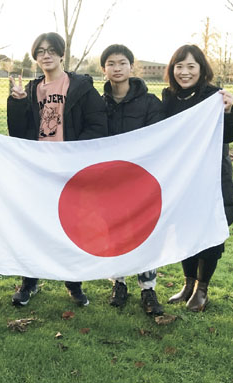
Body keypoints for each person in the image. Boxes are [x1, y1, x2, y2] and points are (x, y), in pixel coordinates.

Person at [7, 32, 107, 307]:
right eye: (40, 51)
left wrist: (73, 154)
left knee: (71, 225)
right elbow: (19, 133)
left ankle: (73, 282)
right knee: (35, 225)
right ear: (35, 57)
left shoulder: (81, 87)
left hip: (71, 170)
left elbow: (97, 125)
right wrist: (16, 102)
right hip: (39, 170)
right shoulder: (31, 90)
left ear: (62, 54)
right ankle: (30, 281)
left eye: (51, 50)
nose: (46, 55)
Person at [162, 44, 233, 312]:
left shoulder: (215, 97)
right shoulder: (169, 98)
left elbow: (229, 136)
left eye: (190, 66)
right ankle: (188, 284)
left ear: (201, 69)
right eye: (179, 66)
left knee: (210, 232)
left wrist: (228, 111)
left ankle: (201, 289)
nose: (184, 72)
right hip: (181, 180)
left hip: (211, 179)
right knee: (184, 231)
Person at [99, 44, 165, 316]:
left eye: (122, 62)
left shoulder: (150, 103)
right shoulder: (98, 102)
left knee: (144, 233)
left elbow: (159, 137)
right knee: (114, 232)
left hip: (140, 182)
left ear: (131, 67)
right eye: (111, 63)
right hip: (109, 182)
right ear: (104, 69)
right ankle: (119, 283)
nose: (117, 68)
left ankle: (148, 287)